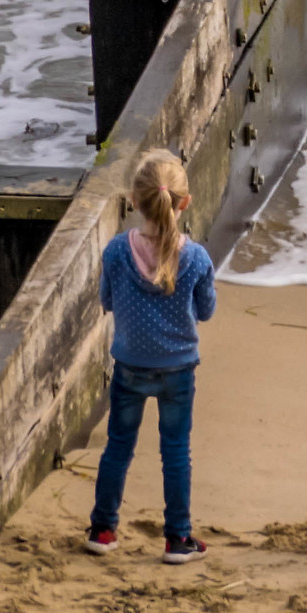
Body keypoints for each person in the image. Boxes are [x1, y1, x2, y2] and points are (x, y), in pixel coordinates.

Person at [86, 148, 216, 565]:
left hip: (129, 365)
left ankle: (103, 529)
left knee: (118, 446)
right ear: (184, 202)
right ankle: (177, 538)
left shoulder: (116, 252)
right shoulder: (195, 257)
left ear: (135, 201)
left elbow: (106, 300)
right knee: (175, 451)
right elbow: (206, 310)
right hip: (178, 368)